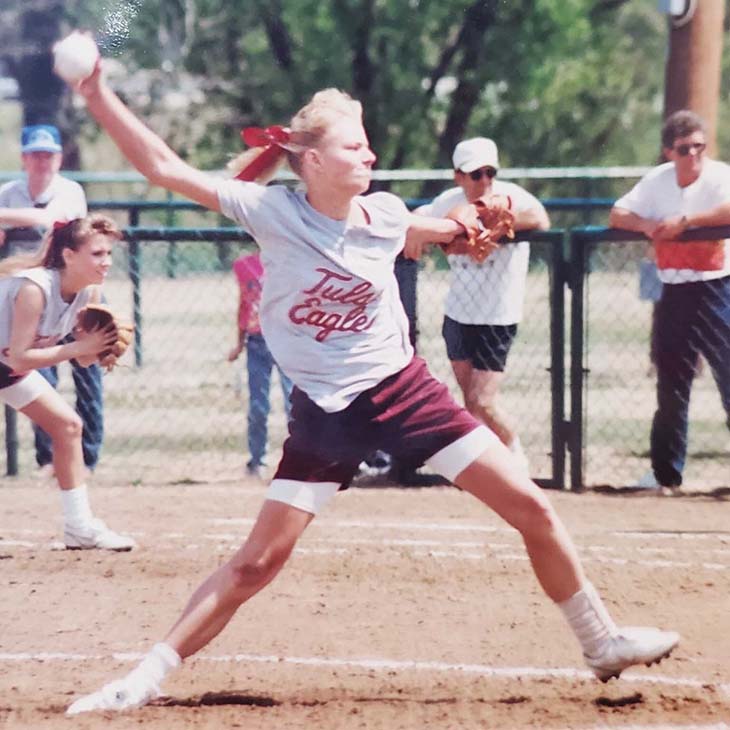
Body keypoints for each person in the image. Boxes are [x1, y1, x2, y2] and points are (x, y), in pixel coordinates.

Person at [64, 58, 677, 714]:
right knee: (256, 564)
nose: (371, 152)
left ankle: (600, 640)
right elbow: (162, 167)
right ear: (314, 161)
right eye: (354, 144)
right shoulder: (272, 210)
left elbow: (440, 230)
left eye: (367, 142)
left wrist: (473, 228)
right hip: (326, 413)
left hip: (405, 391)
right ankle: (142, 679)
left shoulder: (382, 212)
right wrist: (98, 93)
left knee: (533, 508)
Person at [411, 137, 550, 472]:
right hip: (459, 312)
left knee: (483, 402)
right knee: (471, 404)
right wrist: (442, 236)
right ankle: (489, 466)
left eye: (490, 172)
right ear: (458, 175)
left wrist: (495, 221)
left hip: (497, 316)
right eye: (476, 174)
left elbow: (539, 217)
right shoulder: (449, 201)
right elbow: (417, 218)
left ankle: (516, 457)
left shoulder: (508, 195)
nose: (485, 180)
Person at [610, 110, 730, 491]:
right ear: (669, 151)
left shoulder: (720, 176)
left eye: (699, 147)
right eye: (684, 148)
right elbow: (618, 214)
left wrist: (686, 221)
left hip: (716, 288)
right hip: (674, 291)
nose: (693, 155)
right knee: (672, 386)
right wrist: (646, 225)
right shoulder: (657, 181)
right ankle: (665, 474)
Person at [0, 215, 135, 551]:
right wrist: (80, 348)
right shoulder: (34, 288)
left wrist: (98, 351)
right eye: (97, 254)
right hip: (10, 363)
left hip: (6, 370)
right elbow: (19, 356)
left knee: (68, 427)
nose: (106, 262)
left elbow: (81, 356)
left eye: (108, 254)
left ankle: (79, 528)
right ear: (68, 256)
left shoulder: (87, 292)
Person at [0, 124, 105, 476]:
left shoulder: (69, 190)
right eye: (35, 154)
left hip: (58, 300)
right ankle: (49, 460)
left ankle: (82, 463)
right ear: (24, 158)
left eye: (48, 154)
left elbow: (53, 221)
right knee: (41, 372)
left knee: (72, 415)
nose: (42, 161)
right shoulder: (30, 286)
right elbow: (46, 220)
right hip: (22, 304)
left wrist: (93, 347)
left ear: (59, 158)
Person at [227, 250, 293, 479]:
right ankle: (257, 460)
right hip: (257, 342)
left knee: (294, 405)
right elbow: (244, 305)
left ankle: (299, 459)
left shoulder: (292, 258)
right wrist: (238, 343)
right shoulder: (244, 264)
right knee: (258, 406)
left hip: (288, 340)